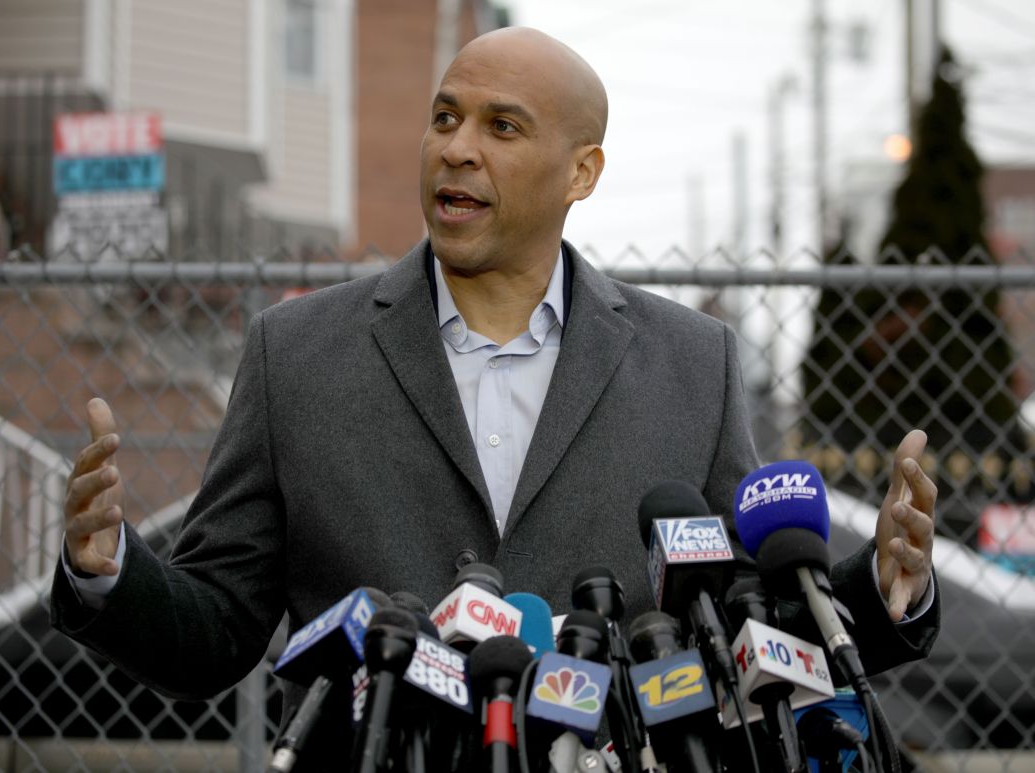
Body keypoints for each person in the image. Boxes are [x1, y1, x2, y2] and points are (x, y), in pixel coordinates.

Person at [54, 25, 938, 730]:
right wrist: (111, 570)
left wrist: (880, 587)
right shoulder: (296, 353)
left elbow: (750, 626)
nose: (457, 149)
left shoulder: (691, 363)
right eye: (445, 118)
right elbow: (216, 629)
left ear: (580, 171)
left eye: (501, 126)